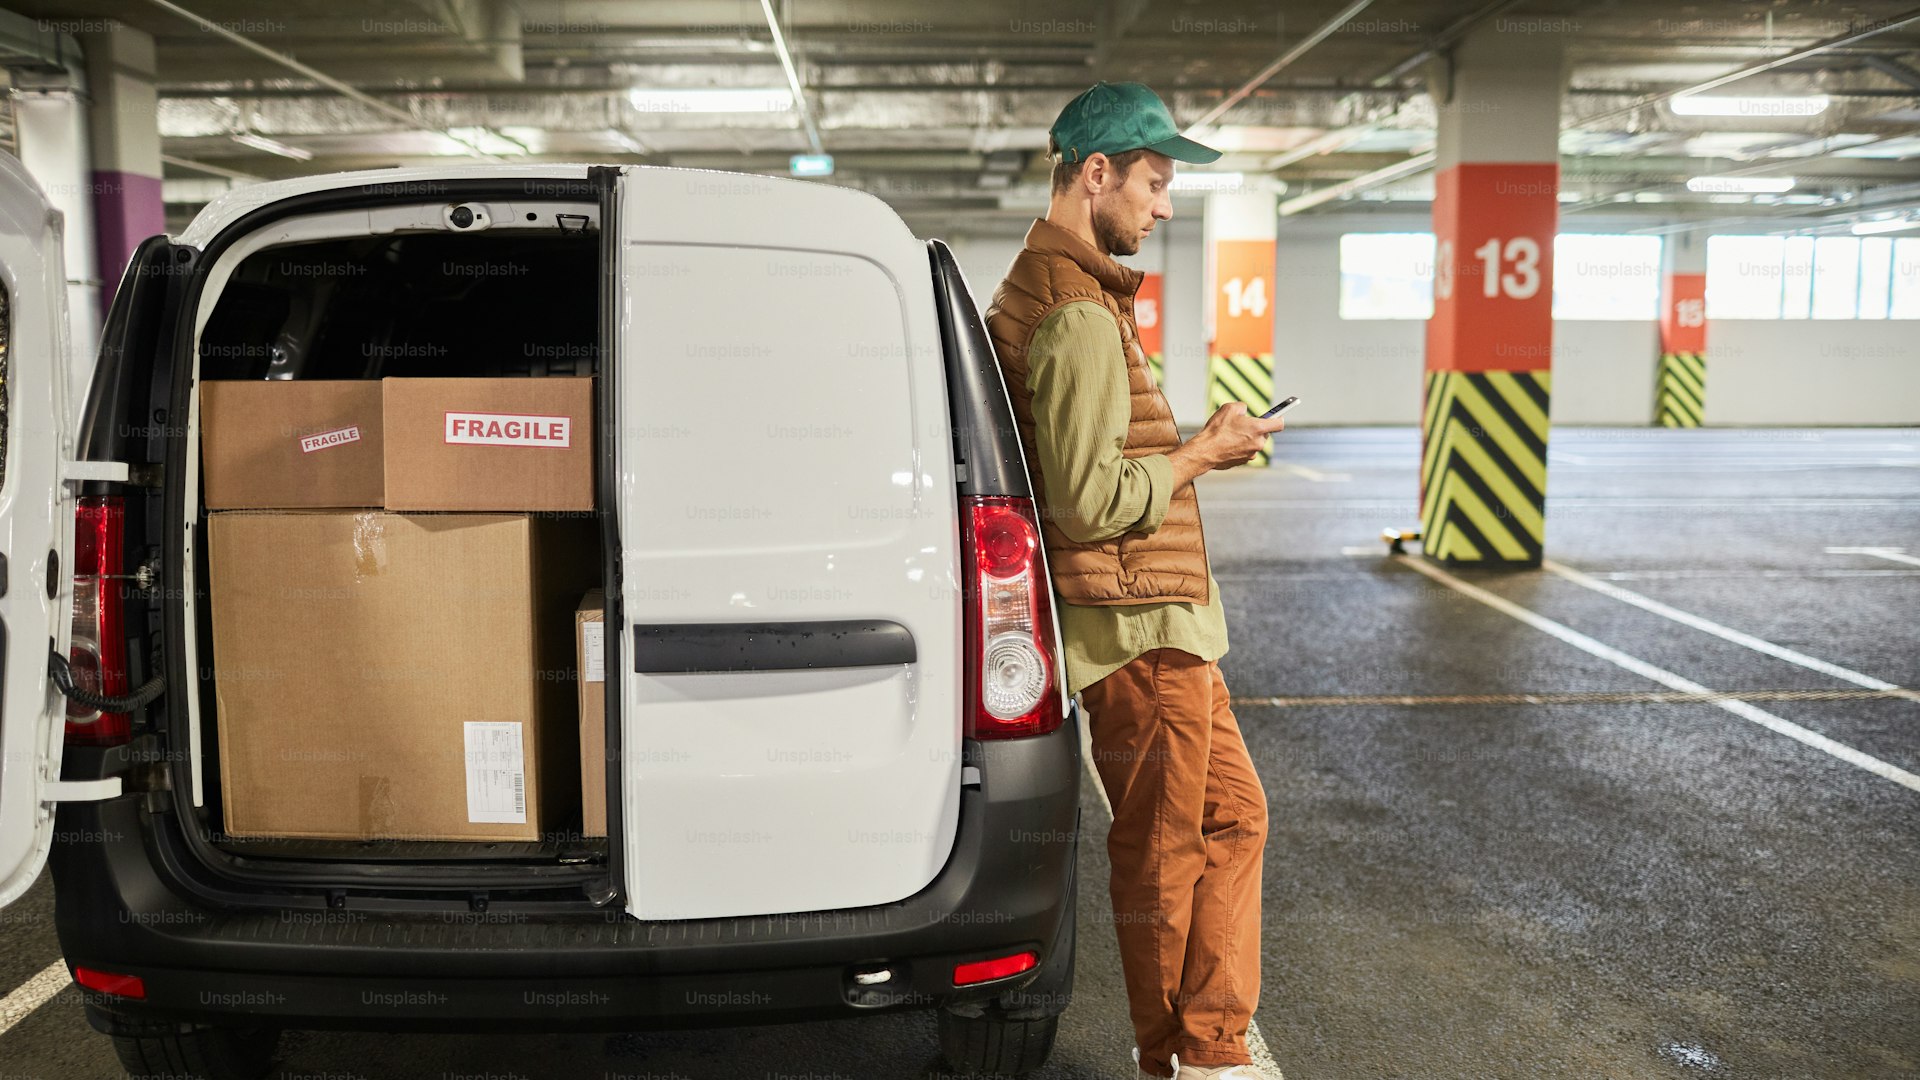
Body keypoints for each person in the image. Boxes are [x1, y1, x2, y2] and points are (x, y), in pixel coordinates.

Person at [984, 82, 1283, 1080]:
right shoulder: (1075, 314)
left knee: (1235, 818)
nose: (1164, 206)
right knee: (1164, 853)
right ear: (1096, 172)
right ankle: (1188, 1056)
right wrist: (1203, 454)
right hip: (1141, 630)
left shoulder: (1077, 292)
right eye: (1154, 183)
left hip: (1167, 624)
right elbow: (1085, 500)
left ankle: (1208, 1039)